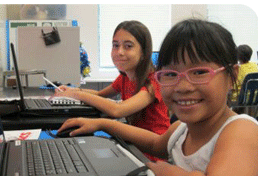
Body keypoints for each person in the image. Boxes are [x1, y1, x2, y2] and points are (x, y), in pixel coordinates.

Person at [57, 19, 258, 176]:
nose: (182, 86)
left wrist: (160, 169)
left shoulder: (242, 130)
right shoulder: (181, 128)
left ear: (231, 77)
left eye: (199, 72)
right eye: (171, 74)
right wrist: (103, 124)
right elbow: (155, 143)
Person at [53, 20, 170, 161]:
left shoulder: (153, 82)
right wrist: (73, 89)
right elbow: (99, 94)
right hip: (133, 144)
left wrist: (76, 94)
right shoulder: (124, 78)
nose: (119, 52)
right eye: (115, 45)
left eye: (128, 46)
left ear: (144, 53)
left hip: (154, 151)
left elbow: (118, 110)